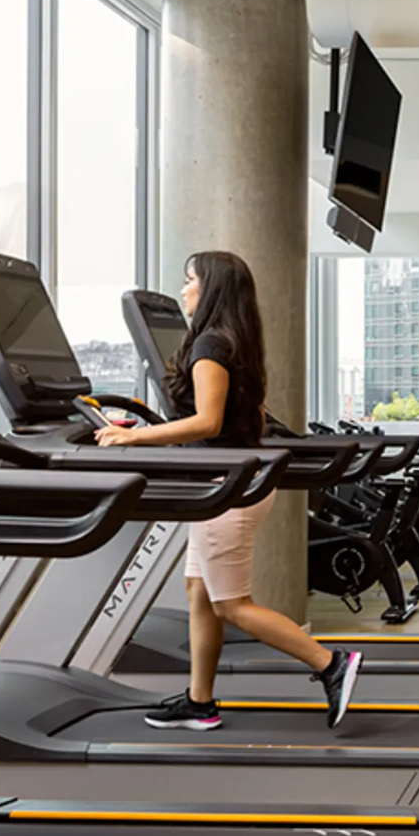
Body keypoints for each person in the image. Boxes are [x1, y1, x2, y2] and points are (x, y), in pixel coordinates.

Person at [92, 250, 361, 730]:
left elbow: (205, 422)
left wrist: (133, 436)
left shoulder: (210, 346)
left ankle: (329, 663)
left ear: (210, 288)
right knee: (198, 590)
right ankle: (200, 701)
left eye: (189, 279)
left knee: (230, 604)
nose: (184, 290)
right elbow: (250, 419)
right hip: (238, 483)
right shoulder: (239, 344)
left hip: (226, 490)